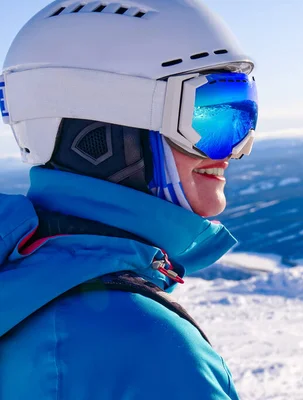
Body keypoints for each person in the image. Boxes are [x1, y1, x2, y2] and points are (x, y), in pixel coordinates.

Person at [0, 1, 258, 399]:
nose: (235, 150)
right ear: (102, 138)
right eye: (209, 116)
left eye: (244, 115)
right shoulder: (145, 346)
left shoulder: (18, 278)